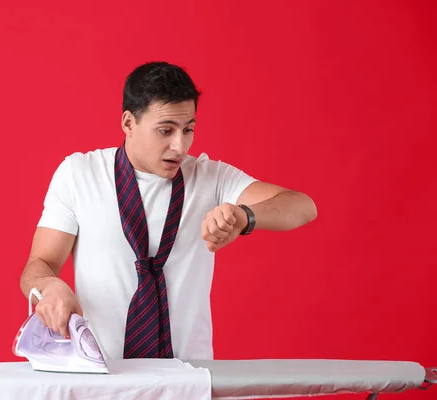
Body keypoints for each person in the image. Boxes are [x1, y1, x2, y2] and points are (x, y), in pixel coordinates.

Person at [19, 61, 317, 361]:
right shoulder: (79, 175)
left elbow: (303, 206)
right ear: (128, 123)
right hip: (100, 377)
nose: (179, 146)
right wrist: (49, 286)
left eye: (188, 129)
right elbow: (39, 264)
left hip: (191, 379)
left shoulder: (210, 178)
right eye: (166, 130)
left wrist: (244, 217)